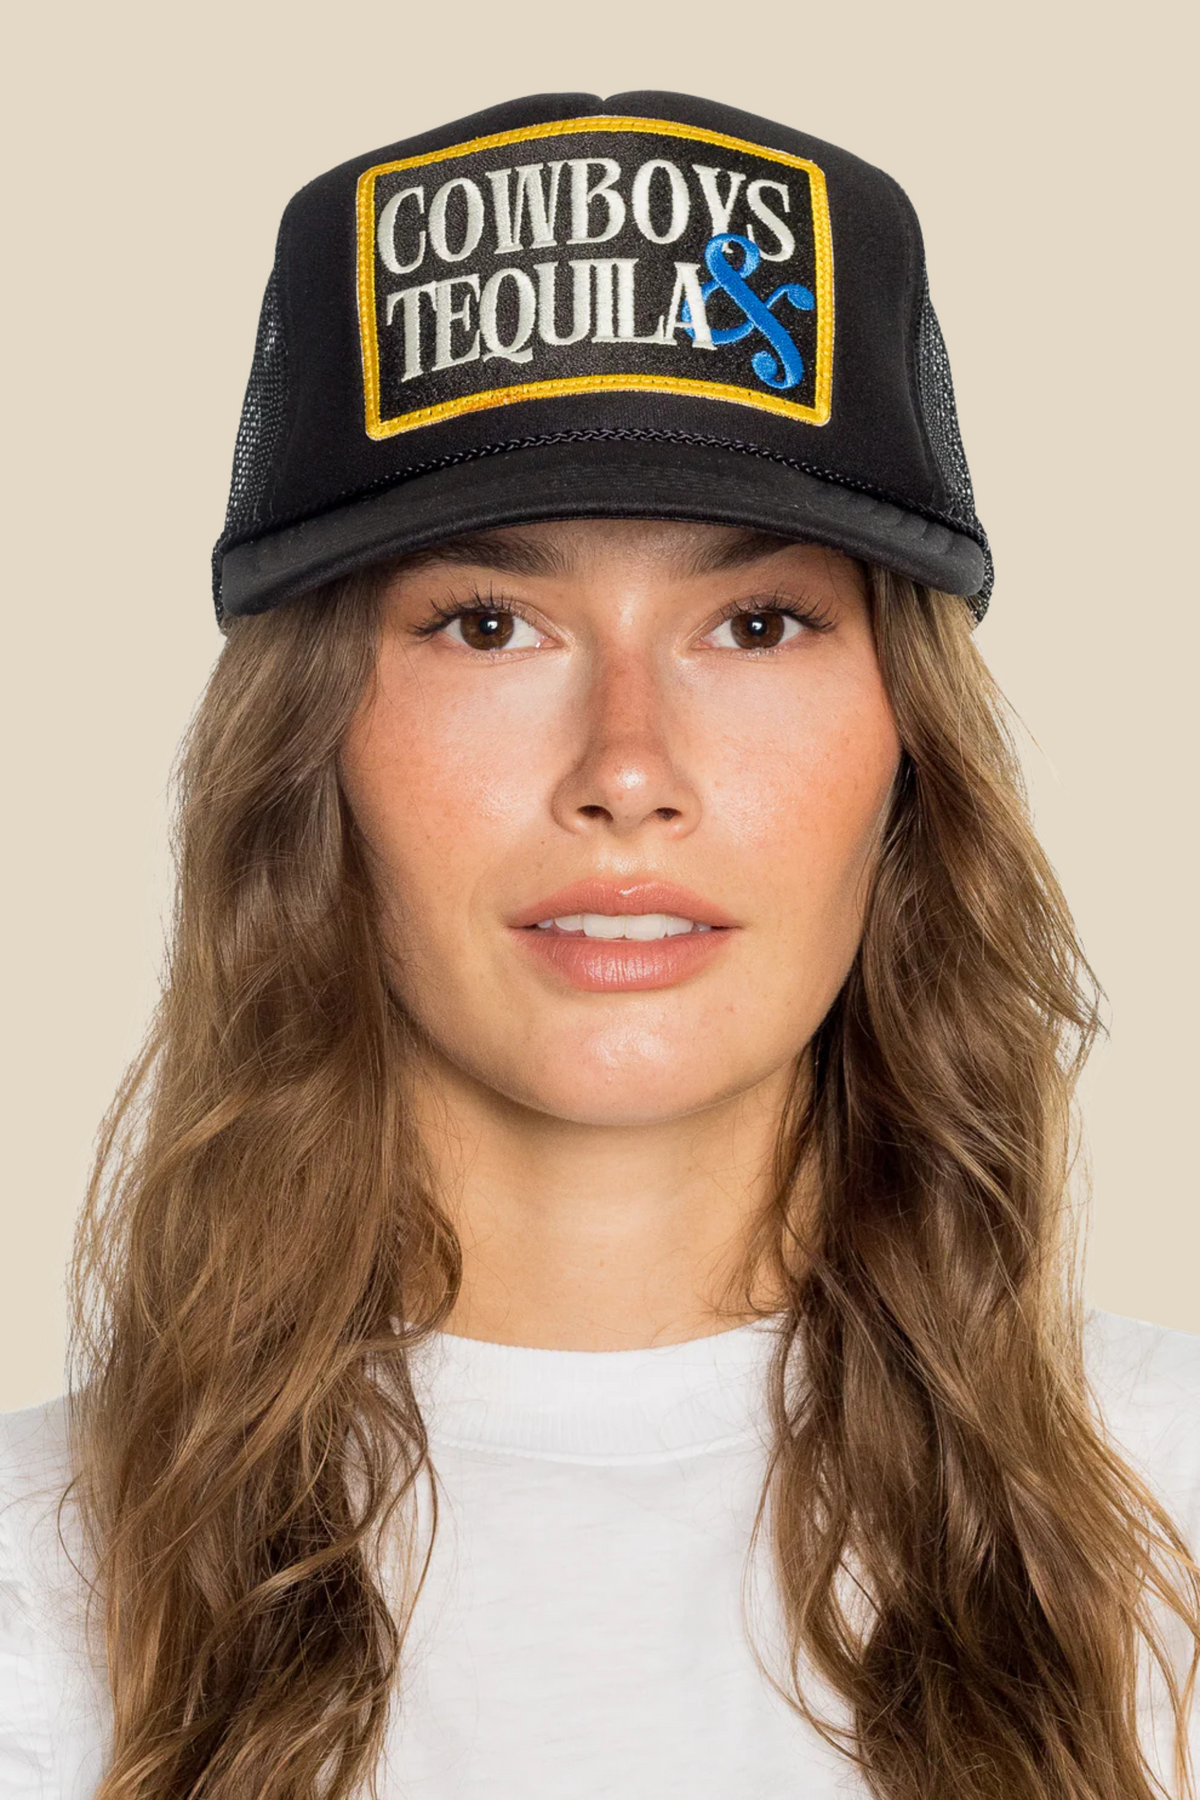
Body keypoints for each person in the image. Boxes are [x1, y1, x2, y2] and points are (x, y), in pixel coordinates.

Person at [1, 89, 1197, 1800]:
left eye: (757, 623)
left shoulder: (1167, 1528)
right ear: (309, 749)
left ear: (911, 745)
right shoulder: (34, 1594)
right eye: (490, 625)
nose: (628, 768)